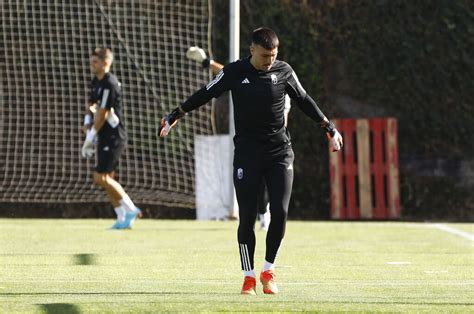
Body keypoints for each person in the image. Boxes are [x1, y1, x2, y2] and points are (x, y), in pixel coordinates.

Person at [161, 28, 343, 295]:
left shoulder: (284, 71)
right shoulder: (234, 72)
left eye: (274, 55)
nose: (270, 59)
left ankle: (268, 270)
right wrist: (176, 114)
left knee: (279, 212)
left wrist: (329, 127)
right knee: (246, 217)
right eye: (265, 55)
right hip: (247, 154)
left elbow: (304, 100)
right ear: (252, 50)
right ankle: (248, 277)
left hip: (280, 152)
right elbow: (205, 92)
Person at [186, 47, 294, 231]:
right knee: (254, 183)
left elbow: (283, 122)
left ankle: (266, 214)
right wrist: (208, 63)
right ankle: (260, 214)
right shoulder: (250, 73)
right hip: (250, 144)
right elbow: (231, 75)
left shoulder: (282, 82)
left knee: (270, 182)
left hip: (274, 144)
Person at [81, 47, 141, 229]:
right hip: (103, 135)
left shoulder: (110, 83)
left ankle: (131, 209)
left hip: (114, 137)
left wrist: (90, 137)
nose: (92, 65)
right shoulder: (96, 81)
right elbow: (91, 103)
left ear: (105, 63)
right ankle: (122, 218)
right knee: (107, 178)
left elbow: (102, 113)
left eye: (95, 62)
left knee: (100, 178)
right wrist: (86, 121)